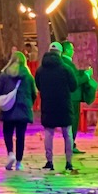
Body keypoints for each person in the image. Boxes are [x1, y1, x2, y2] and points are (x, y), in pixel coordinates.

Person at [35, 41, 79, 172]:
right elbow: (73, 86)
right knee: (67, 134)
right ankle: (69, 162)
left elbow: (38, 85)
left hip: (48, 105)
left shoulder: (41, 70)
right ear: (60, 53)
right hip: (64, 105)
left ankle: (49, 161)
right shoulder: (66, 69)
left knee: (49, 133)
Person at [0, 51, 35, 171]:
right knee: (21, 136)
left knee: (8, 132)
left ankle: (10, 153)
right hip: (23, 109)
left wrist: (1, 100)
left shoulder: (4, 74)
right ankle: (19, 162)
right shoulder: (28, 76)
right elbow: (33, 93)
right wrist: (28, 103)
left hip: (8, 109)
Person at [60, 40, 97, 154]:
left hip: (67, 97)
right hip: (73, 97)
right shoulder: (67, 63)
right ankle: (71, 145)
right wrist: (86, 75)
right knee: (73, 121)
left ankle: (71, 144)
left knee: (70, 122)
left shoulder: (64, 63)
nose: (73, 51)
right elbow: (76, 80)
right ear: (65, 50)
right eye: (71, 49)